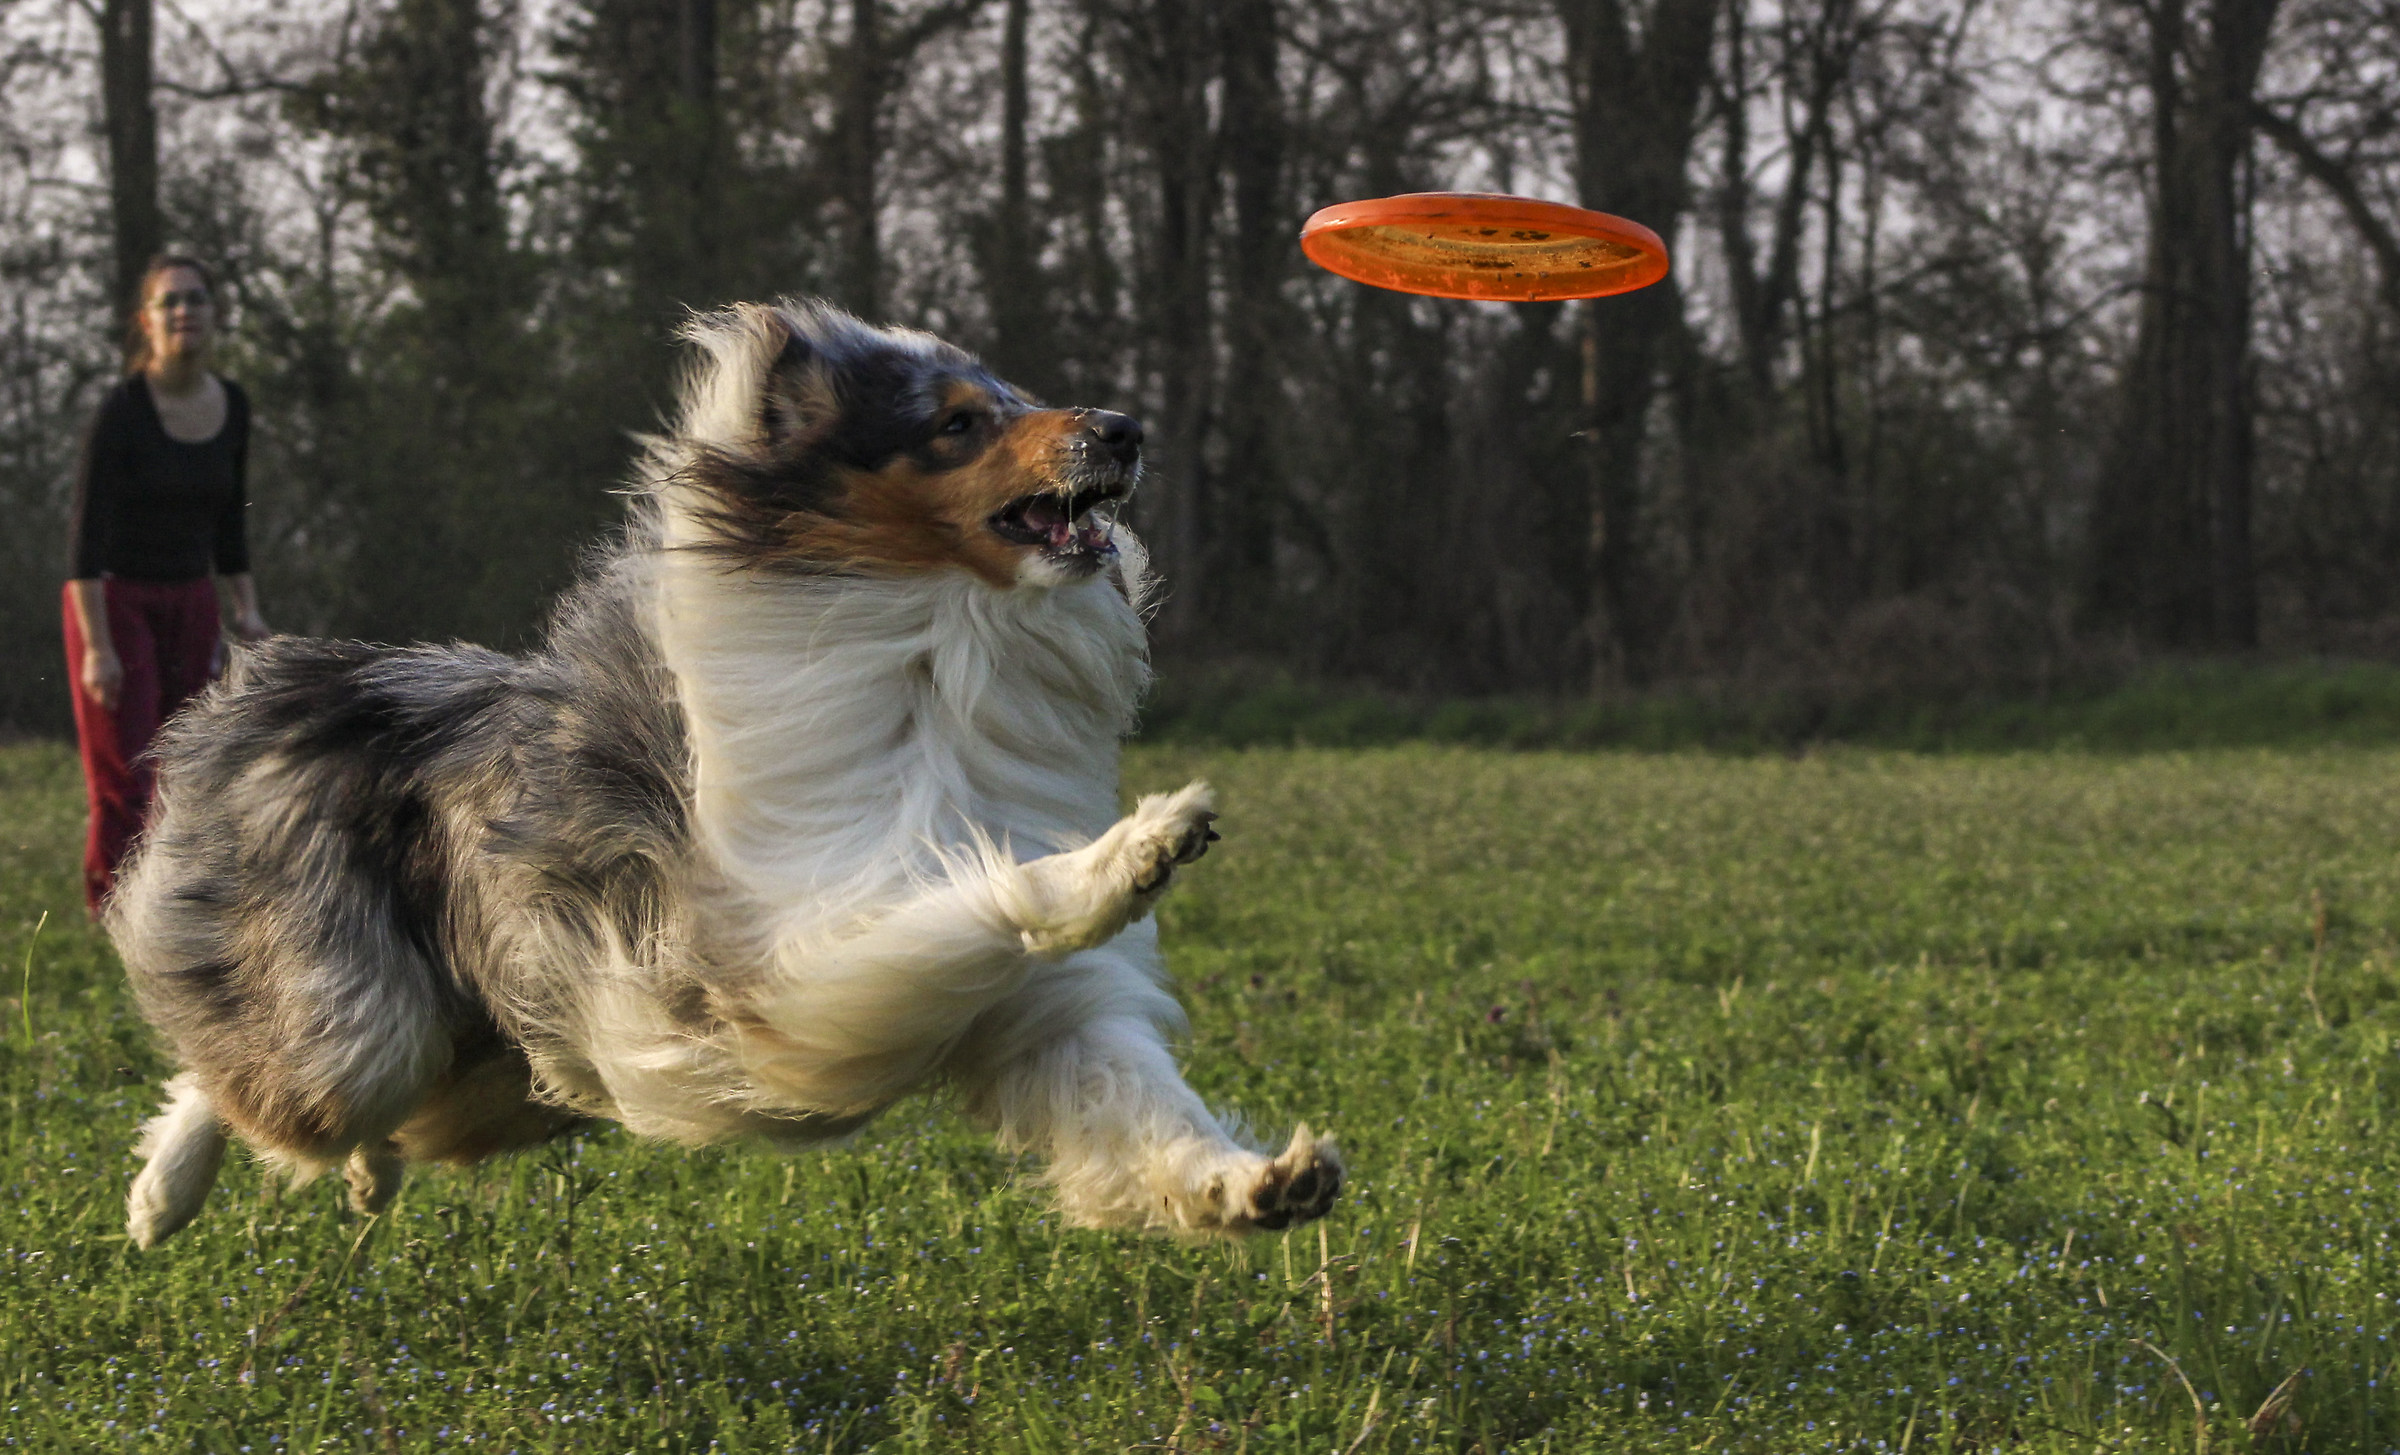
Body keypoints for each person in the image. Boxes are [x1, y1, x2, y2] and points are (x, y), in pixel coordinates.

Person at [64, 254, 271, 915]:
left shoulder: (233, 405)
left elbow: (229, 519)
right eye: (171, 301)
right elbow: (85, 541)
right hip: (114, 602)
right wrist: (99, 648)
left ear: (214, 315)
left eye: (197, 299)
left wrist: (247, 610)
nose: (185, 311)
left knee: (193, 760)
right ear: (145, 322)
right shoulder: (122, 411)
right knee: (129, 772)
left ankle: (180, 907)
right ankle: (114, 913)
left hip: (192, 601)